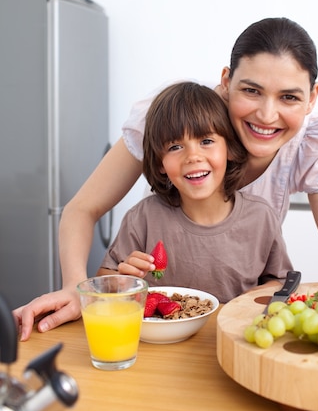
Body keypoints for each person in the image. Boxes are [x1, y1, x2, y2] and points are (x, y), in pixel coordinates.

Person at [14, 17, 318, 340]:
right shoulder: (173, 120)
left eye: (289, 97)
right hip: (158, 331)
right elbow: (83, 209)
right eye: (251, 90)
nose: (266, 115)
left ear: (312, 98)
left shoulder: (316, 144)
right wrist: (74, 287)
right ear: (226, 81)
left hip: (233, 332)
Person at [97, 81, 292, 303]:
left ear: (228, 148)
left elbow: (281, 281)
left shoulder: (260, 217)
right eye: (175, 147)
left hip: (228, 334)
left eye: (206, 141)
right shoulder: (143, 218)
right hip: (159, 337)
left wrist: (254, 296)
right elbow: (103, 281)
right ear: (160, 163)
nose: (193, 156)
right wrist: (123, 280)